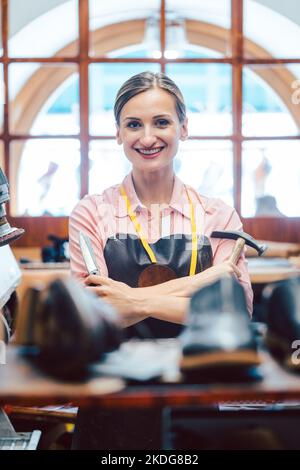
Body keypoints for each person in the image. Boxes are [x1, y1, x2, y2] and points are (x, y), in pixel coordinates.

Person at [69, 71, 253, 449]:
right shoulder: (91, 213)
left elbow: (235, 316)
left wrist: (131, 300)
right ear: (118, 132)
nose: (148, 137)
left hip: (195, 393)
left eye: (162, 122)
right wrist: (205, 283)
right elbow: (90, 321)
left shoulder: (218, 216)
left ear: (184, 128)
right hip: (109, 399)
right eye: (133, 124)